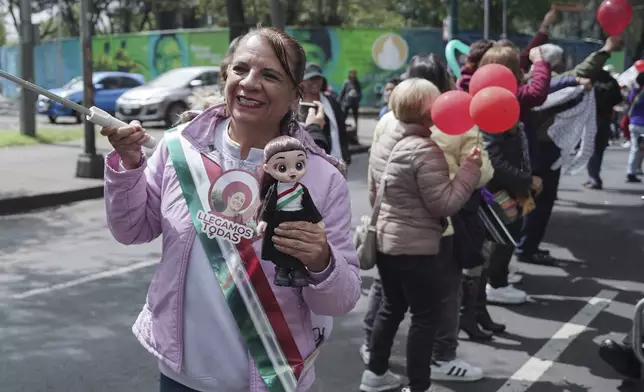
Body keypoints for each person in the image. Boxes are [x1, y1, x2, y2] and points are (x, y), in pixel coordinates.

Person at [100, 27, 361, 392]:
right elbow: (132, 231)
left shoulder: (321, 178)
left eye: (270, 75)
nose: (250, 83)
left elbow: (340, 300)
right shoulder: (180, 149)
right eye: (240, 69)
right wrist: (128, 168)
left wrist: (322, 261)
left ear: (294, 96)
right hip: (182, 379)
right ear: (226, 76)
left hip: (277, 379)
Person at [359, 78, 481, 392]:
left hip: (387, 240)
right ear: (428, 113)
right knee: (426, 318)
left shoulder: (387, 137)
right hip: (417, 249)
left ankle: (375, 373)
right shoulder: (425, 149)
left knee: (391, 307)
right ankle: (419, 386)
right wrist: (469, 171)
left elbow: (375, 192)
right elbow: (445, 203)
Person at [517, 35, 623, 265]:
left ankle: (522, 247)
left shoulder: (524, 82)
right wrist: (604, 50)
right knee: (539, 203)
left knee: (526, 201)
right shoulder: (543, 85)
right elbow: (578, 74)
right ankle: (525, 248)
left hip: (528, 151)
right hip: (542, 152)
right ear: (553, 64)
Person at [300, 63, 351, 164]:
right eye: (311, 79)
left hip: (337, 159)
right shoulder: (295, 105)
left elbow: (341, 129)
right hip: (311, 161)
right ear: (302, 82)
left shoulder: (332, 102)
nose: (315, 82)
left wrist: (346, 155)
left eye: (318, 78)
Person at [625, 72, 644, 183]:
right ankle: (634, 171)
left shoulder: (634, 92)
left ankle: (631, 172)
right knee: (639, 150)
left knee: (635, 149)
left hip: (633, 123)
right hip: (642, 124)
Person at [340, 69, 362, 137]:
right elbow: (342, 92)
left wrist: (358, 99)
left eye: (354, 74)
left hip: (355, 103)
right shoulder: (346, 82)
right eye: (351, 74)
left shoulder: (357, 83)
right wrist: (339, 101)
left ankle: (355, 132)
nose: (352, 75)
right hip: (347, 103)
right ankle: (342, 131)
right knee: (343, 117)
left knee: (355, 118)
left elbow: (360, 92)